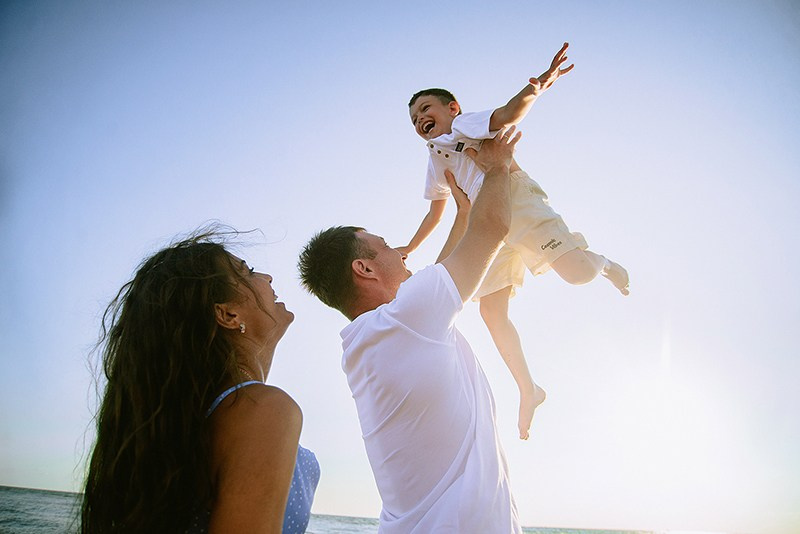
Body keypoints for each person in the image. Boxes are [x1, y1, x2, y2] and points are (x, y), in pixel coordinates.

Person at [402, 42, 630, 439]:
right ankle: (529, 387)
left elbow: (508, 114)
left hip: (513, 196)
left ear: (451, 108)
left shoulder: (463, 125)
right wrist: (411, 249)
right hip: (489, 222)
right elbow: (442, 211)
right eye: (414, 117)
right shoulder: (435, 158)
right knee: (491, 311)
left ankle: (604, 264)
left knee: (577, 274)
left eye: (426, 108)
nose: (421, 118)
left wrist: (537, 86)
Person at [299, 128, 522, 533]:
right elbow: (492, 229)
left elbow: (443, 272)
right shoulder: (408, 319)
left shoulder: (372, 340)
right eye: (385, 245)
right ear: (363, 268)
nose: (400, 251)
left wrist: (463, 214)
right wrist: (498, 165)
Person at [81, 227, 319, 534]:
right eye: (249, 272)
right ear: (229, 315)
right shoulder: (262, 409)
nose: (268, 278)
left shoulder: (194, 419)